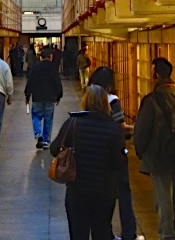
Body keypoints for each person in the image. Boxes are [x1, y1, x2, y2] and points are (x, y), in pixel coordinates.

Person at [132, 58, 175, 240]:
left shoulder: (151, 101)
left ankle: (167, 236)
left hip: (158, 156)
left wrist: (141, 152)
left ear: (156, 75)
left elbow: (142, 131)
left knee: (164, 199)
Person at [50, 85, 126, 240]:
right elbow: (119, 162)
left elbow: (54, 149)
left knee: (78, 233)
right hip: (105, 191)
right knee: (102, 231)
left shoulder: (73, 123)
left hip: (77, 190)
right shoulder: (113, 129)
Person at [89, 66, 144, 240]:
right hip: (115, 151)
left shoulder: (89, 99)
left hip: (95, 152)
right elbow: (120, 127)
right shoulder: (112, 100)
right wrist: (137, 128)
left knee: (102, 195)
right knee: (123, 192)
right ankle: (129, 232)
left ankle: (106, 233)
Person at [24, 47, 63, 149]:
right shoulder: (53, 68)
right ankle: (46, 141)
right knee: (48, 119)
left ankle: (38, 135)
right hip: (50, 97)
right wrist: (59, 96)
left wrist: (27, 95)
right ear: (50, 57)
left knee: (36, 116)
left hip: (37, 96)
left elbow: (30, 82)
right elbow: (57, 83)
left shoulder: (35, 68)